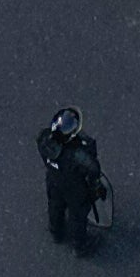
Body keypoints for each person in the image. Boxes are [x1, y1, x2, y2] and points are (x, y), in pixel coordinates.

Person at [38, 104, 109, 248]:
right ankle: (80, 246)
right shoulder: (76, 155)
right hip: (74, 189)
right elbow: (93, 169)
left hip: (54, 182)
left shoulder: (43, 140)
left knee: (55, 206)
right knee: (78, 215)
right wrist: (96, 186)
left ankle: (56, 232)